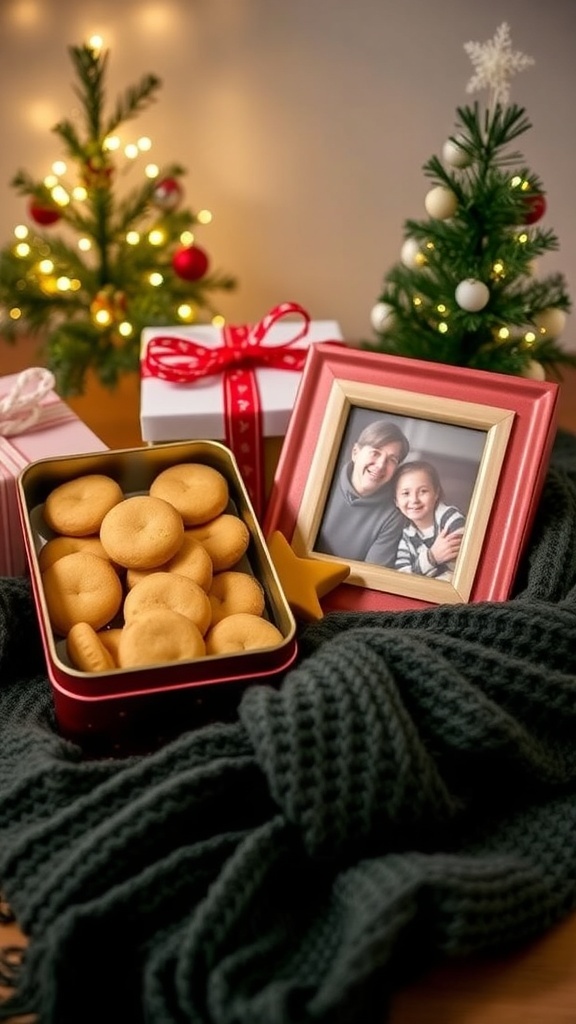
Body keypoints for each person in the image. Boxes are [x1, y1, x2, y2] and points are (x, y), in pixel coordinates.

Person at [315, 419, 410, 566]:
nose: (380, 465)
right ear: (355, 453)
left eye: (392, 460)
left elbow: (371, 577)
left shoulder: (394, 517)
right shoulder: (320, 479)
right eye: (375, 453)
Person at [393, 459, 465, 580]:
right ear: (396, 502)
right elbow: (402, 577)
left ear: (436, 493)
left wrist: (420, 569)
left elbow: (458, 567)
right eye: (406, 493)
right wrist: (432, 556)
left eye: (423, 491)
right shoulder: (407, 537)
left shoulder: (450, 518)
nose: (414, 500)